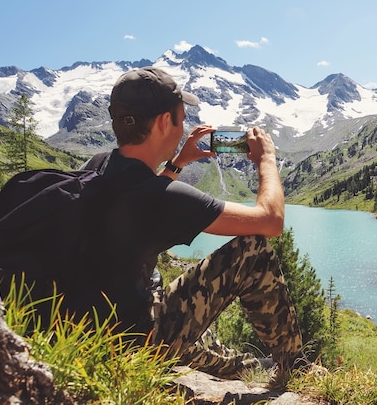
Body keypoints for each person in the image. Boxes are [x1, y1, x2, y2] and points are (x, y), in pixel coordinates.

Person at [79, 66, 304, 382]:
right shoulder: (166, 197)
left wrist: (176, 163)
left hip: (102, 328)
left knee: (221, 355)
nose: (184, 127)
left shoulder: (97, 165)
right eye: (181, 119)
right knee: (252, 250)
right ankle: (297, 367)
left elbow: (140, 198)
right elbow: (271, 221)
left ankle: (250, 367)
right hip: (141, 338)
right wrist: (267, 160)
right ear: (163, 122)